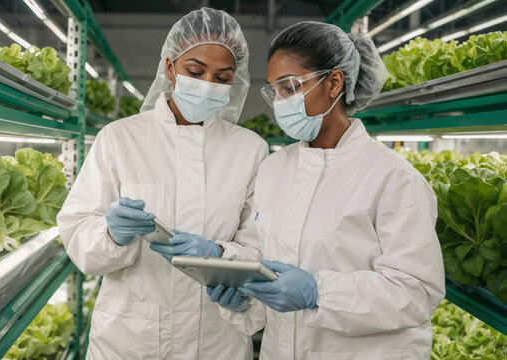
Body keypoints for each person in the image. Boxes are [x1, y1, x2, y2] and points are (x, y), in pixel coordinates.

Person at [207, 22, 445, 360]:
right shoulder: (274, 170)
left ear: (334, 82)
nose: (279, 102)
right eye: (274, 90)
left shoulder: (392, 177)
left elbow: (416, 292)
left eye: (289, 87)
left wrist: (319, 292)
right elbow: (262, 258)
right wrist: (240, 292)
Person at [57, 8, 268, 359]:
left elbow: (261, 242)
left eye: (222, 77)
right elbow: (77, 233)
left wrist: (222, 257)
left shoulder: (250, 149)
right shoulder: (120, 138)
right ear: (170, 68)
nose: (207, 85)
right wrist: (111, 234)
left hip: (215, 342)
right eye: (195, 71)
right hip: (129, 341)